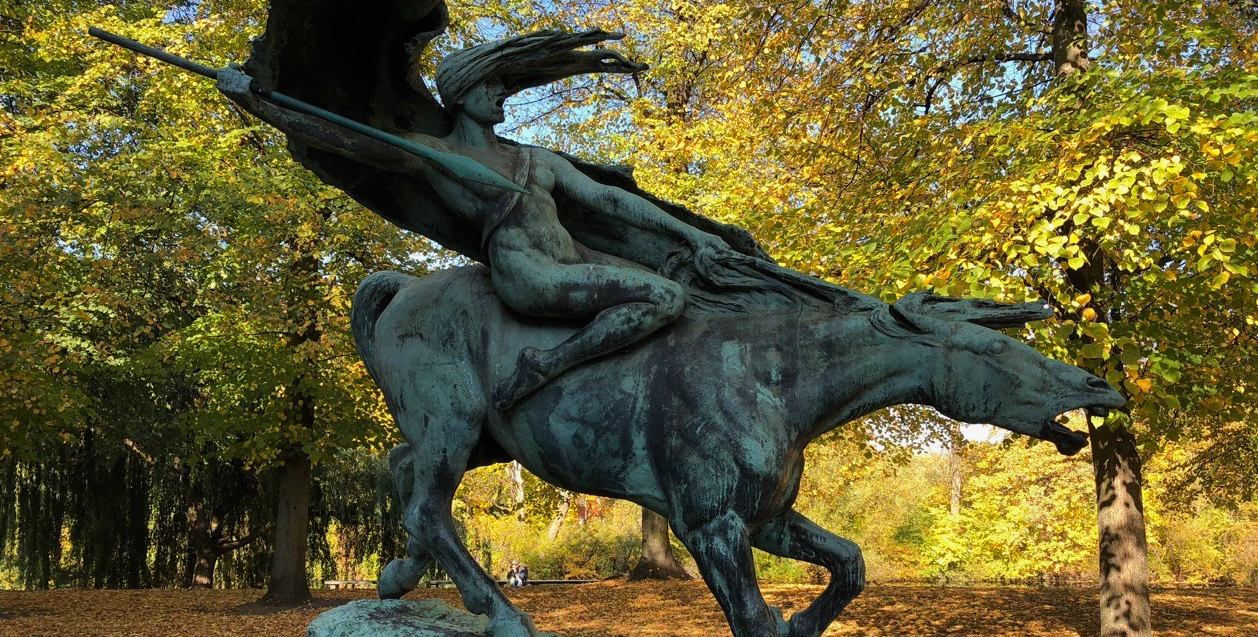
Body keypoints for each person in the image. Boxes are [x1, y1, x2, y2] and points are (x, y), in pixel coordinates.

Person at [217, 31, 731, 409]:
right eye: (490, 86)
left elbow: (607, 199)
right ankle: (544, 366)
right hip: (529, 274)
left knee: (685, 299)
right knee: (665, 298)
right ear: (462, 95)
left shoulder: (534, 158)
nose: (500, 94)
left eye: (502, 85)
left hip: (576, 259)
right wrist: (257, 105)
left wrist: (692, 234)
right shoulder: (431, 153)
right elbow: (345, 141)